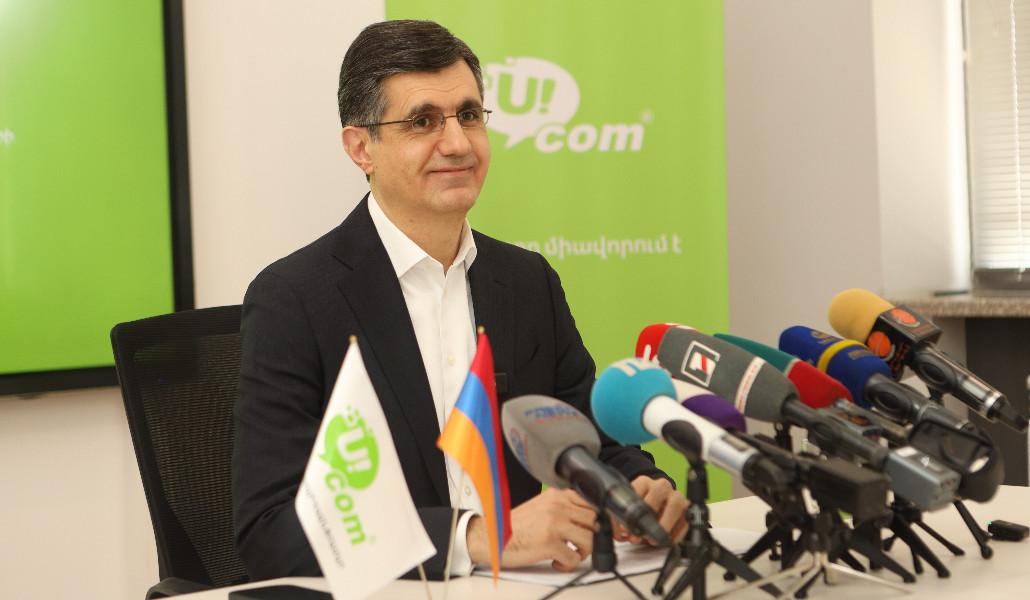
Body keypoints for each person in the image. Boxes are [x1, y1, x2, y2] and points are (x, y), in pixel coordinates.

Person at [232, 19, 687, 581]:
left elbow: (591, 442)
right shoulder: (295, 299)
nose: (458, 143)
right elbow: (271, 527)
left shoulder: (527, 282)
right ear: (361, 147)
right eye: (422, 121)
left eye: (469, 115)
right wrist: (475, 537)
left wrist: (644, 488)